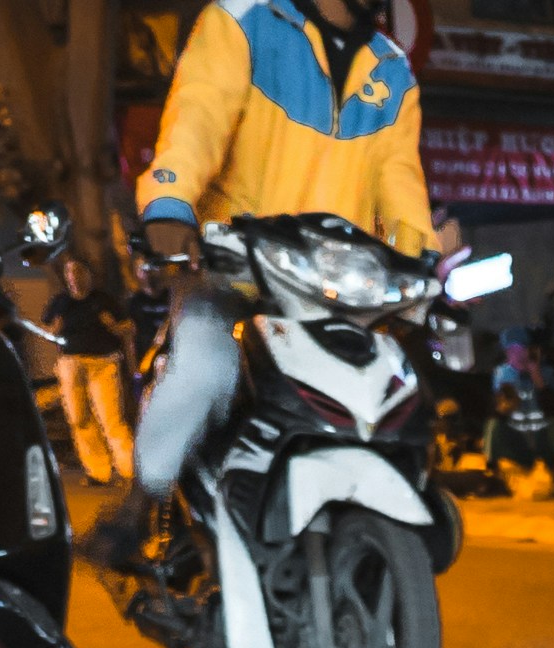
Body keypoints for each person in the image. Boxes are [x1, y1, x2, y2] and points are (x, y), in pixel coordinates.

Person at [83, 0, 455, 569]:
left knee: (391, 383)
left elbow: (399, 179)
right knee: (208, 366)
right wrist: (170, 203)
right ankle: (140, 503)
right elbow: (199, 118)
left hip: (331, 286)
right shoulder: (243, 19)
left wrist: (419, 261)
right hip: (231, 262)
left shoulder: (391, 69)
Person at [43, 254, 134, 486]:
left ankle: (129, 470)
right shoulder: (61, 302)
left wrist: (113, 326)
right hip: (71, 363)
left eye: (79, 272)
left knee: (111, 418)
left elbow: (128, 327)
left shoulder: (103, 300)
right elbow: (48, 328)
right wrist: (54, 331)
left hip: (103, 363)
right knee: (79, 418)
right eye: (70, 273)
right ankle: (98, 471)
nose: (74, 277)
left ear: (89, 275)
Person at [482, 326, 554, 493]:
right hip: (518, 439)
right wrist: (508, 391)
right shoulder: (502, 374)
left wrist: (537, 377)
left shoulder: (546, 373)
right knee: (494, 423)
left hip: (542, 438)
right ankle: (491, 468)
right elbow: (499, 407)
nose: (517, 355)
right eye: (512, 351)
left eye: (521, 350)